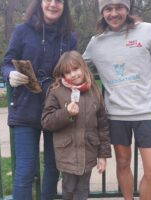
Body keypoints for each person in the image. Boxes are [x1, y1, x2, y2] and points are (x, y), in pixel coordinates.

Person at [82, 0, 151, 199]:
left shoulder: (147, 30)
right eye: (108, 9)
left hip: (145, 113)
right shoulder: (96, 42)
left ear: (127, 9)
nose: (113, 13)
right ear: (102, 13)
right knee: (122, 163)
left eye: (119, 7)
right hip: (116, 116)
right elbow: (73, 66)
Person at [1, 0, 77, 199]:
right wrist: (10, 74)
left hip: (56, 110)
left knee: (53, 167)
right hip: (26, 109)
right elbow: (6, 63)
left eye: (59, 1)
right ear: (40, 3)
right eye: (48, 0)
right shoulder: (22, 31)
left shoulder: (69, 37)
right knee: (25, 170)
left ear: (64, 6)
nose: (53, 4)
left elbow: (75, 68)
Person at [41, 50, 112, 199]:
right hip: (67, 154)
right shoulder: (56, 91)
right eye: (68, 72)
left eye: (75, 69)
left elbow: (103, 126)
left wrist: (103, 155)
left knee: (83, 189)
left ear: (83, 67)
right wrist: (66, 113)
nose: (73, 74)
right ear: (62, 74)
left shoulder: (94, 91)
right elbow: (47, 121)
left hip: (88, 151)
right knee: (69, 189)